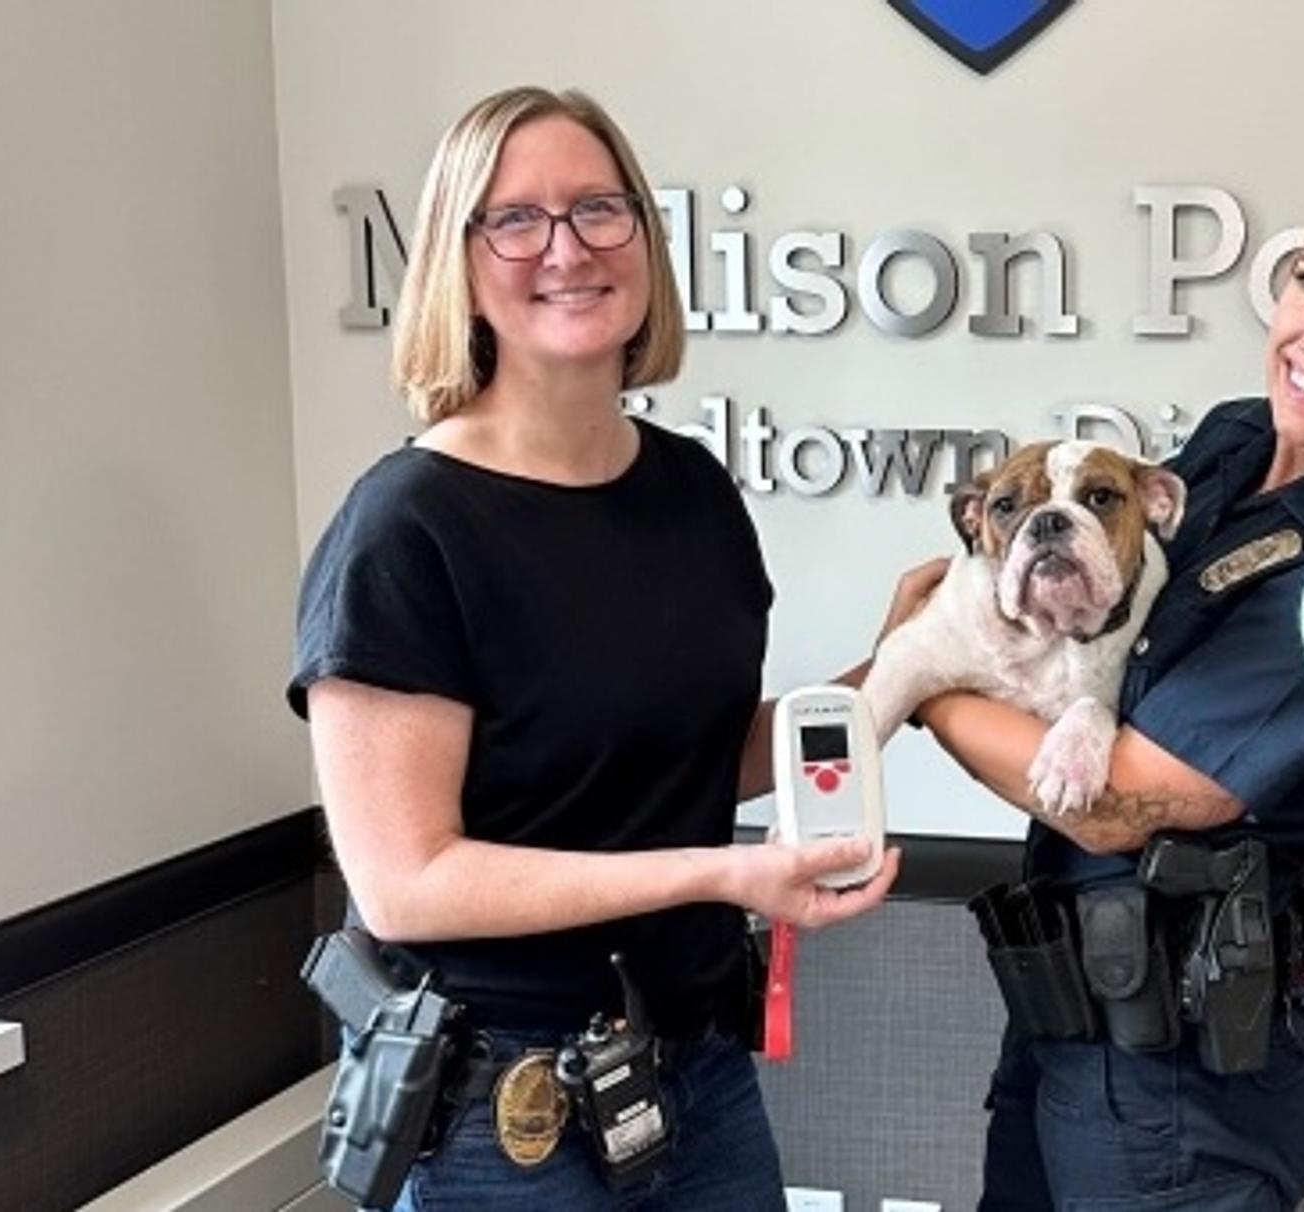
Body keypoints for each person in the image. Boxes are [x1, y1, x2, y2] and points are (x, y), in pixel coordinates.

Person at [883, 139, 1304, 1210]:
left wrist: (922, 674)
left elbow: (1125, 807)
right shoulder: (1230, 449)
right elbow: (1087, 661)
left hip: (1180, 1083)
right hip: (1066, 1019)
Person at [287, 86, 898, 1211]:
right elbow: (407, 884)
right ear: (458, 264)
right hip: (500, 1116)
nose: (566, 248)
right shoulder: (405, 530)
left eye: (599, 209)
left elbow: (703, 758)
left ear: (646, 241)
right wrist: (721, 873)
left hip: (696, 1082)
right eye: (515, 220)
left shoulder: (693, 494)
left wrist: (909, 664)